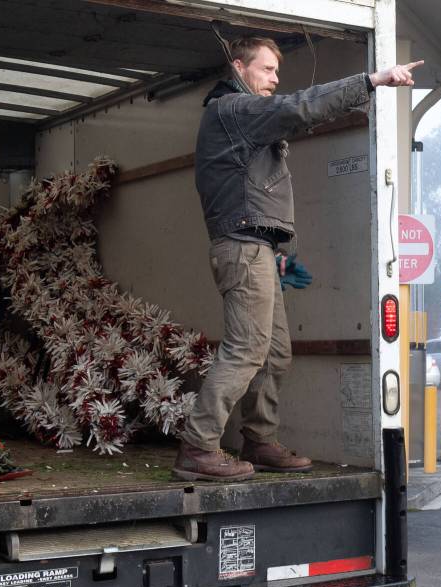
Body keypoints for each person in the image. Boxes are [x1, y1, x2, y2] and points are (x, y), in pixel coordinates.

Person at [174, 36, 422, 481]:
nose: (273, 79)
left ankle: (259, 439)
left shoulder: (240, 116)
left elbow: (293, 117)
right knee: (247, 349)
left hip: (258, 250)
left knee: (275, 353)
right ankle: (198, 446)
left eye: (276, 72)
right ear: (238, 67)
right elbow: (298, 108)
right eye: (266, 70)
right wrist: (371, 82)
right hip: (243, 248)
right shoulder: (232, 109)